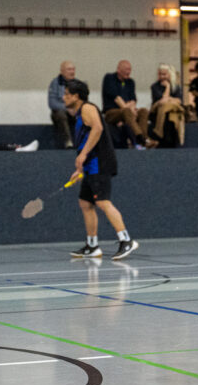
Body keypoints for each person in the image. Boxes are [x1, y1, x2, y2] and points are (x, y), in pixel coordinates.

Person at [64, 79, 138, 260]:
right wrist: (81, 168)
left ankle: (126, 240)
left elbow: (97, 128)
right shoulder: (79, 114)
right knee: (85, 203)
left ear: (76, 96)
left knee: (103, 202)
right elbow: (86, 139)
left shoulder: (87, 108)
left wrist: (83, 156)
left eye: (67, 94)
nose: (64, 97)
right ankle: (92, 245)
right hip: (91, 165)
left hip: (101, 162)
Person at [102, 59, 152, 148]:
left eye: (129, 69)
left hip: (128, 111)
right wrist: (130, 110)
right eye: (126, 69)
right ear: (118, 70)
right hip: (111, 113)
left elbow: (133, 100)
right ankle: (139, 137)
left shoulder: (130, 82)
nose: (128, 72)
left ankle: (144, 139)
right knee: (126, 111)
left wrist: (132, 109)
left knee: (143, 111)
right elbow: (117, 99)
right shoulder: (109, 78)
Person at [148, 64, 185, 147]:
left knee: (171, 117)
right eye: (160, 74)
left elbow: (179, 101)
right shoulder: (155, 87)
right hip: (157, 114)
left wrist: (169, 99)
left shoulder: (176, 87)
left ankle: (171, 143)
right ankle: (165, 142)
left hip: (173, 113)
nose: (162, 77)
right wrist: (168, 88)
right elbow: (163, 101)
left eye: (164, 74)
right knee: (166, 113)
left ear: (169, 74)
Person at [48, 60, 79, 148]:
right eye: (69, 69)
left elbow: (84, 101)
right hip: (60, 112)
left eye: (73, 69)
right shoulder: (55, 83)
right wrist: (67, 108)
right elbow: (52, 103)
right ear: (62, 71)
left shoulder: (78, 84)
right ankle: (68, 142)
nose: (72, 72)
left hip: (75, 111)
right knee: (60, 114)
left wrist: (76, 109)